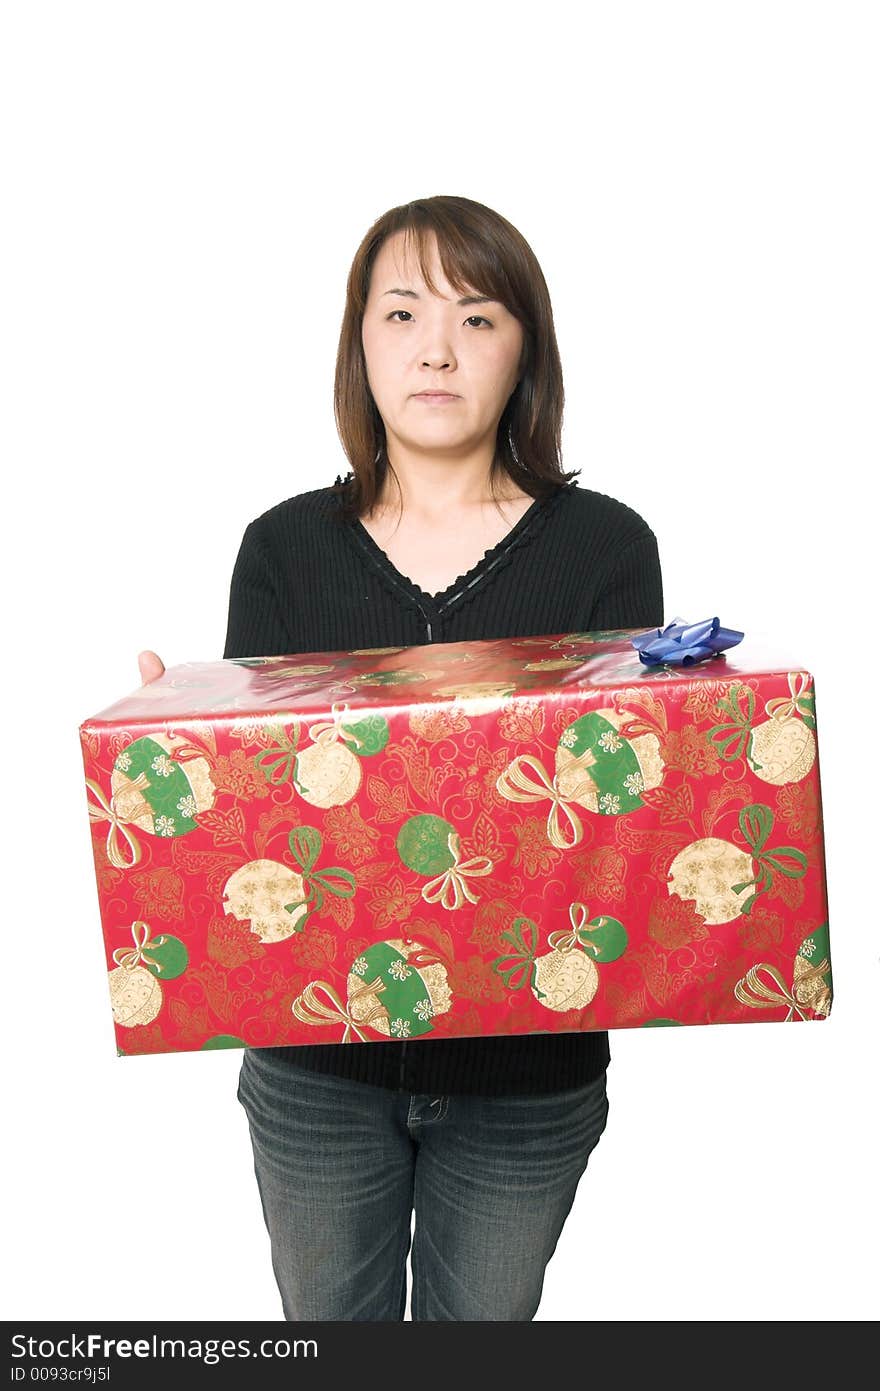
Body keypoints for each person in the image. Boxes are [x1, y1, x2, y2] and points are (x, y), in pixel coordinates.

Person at [138, 195, 664, 1321]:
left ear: (525, 350)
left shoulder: (605, 546)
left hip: (527, 1075)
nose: (436, 346)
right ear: (360, 340)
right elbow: (268, 834)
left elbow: (615, 819)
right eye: (403, 311)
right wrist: (175, 754)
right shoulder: (280, 548)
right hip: (317, 1073)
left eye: (478, 318)